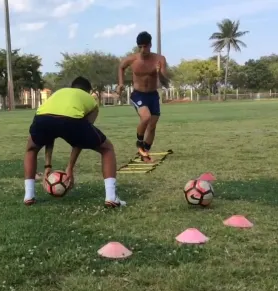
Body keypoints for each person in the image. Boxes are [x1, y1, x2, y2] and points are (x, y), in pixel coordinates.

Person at [22, 76, 127, 208]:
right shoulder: (91, 101)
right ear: (88, 91)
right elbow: (81, 140)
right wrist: (70, 167)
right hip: (71, 120)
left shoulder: (58, 93)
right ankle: (111, 197)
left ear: (72, 88)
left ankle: (29, 196)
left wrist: (48, 166)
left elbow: (50, 135)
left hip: (43, 118)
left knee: (31, 149)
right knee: (107, 149)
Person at [116, 31, 170, 162]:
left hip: (153, 95)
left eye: (145, 46)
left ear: (150, 45)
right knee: (146, 117)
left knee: (152, 125)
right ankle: (139, 143)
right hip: (138, 94)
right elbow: (121, 67)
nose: (142, 49)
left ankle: (144, 150)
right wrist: (121, 84)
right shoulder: (132, 59)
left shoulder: (159, 59)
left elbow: (164, 81)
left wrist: (158, 73)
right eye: (140, 46)